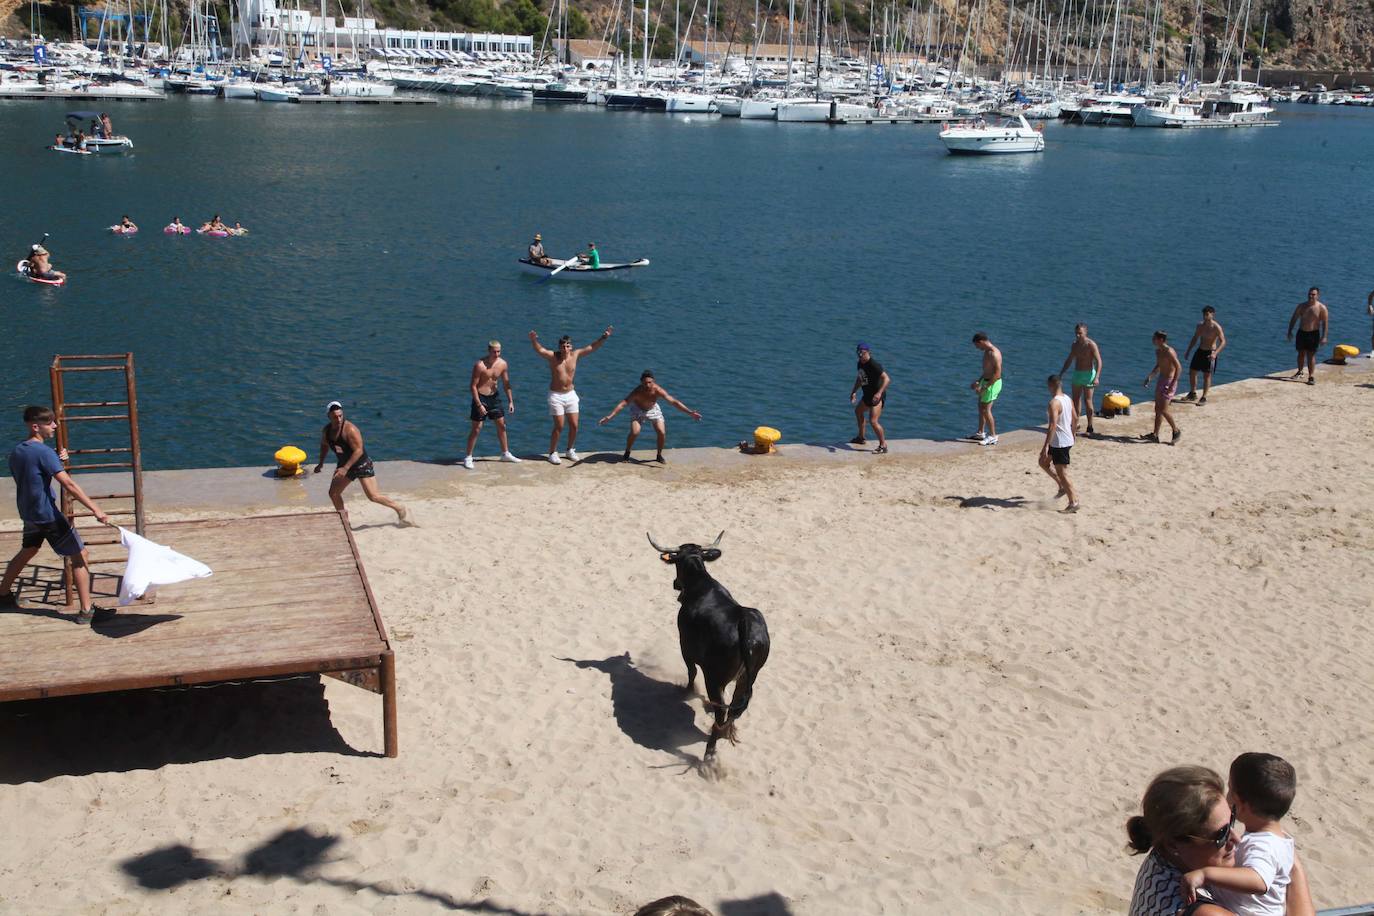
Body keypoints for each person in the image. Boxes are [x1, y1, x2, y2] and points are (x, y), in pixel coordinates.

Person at [1125, 764, 1315, 916]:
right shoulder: (1204, 912)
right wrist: (1291, 864)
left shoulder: (1161, 860)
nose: (1236, 838)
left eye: (1232, 819)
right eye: (1221, 834)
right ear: (1174, 843)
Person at [0, 406, 112, 624]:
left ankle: (2, 595)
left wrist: (56, 460)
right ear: (35, 426)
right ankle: (87, 611)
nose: (54, 426)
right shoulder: (43, 453)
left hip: (29, 513)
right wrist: (95, 509)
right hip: (48, 515)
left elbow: (34, 475)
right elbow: (68, 483)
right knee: (80, 556)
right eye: (50, 422)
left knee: (29, 550)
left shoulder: (18, 451)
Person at [1183, 753, 1297, 916]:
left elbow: (1258, 880)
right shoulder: (1277, 839)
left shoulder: (1263, 845)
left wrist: (1205, 874)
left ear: (1241, 804)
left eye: (1230, 788)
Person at [313, 401, 409, 525]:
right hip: (344, 465)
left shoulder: (350, 430)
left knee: (373, 496)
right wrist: (321, 463)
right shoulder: (326, 431)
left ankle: (399, 508)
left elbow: (358, 450)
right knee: (333, 493)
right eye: (335, 417)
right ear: (329, 417)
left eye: (340, 415)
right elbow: (324, 445)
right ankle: (345, 520)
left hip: (361, 464)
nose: (338, 419)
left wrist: (345, 468)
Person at [529, 327, 612, 464]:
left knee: (574, 425)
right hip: (556, 395)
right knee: (559, 426)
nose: (565, 348)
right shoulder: (553, 357)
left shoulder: (575, 355)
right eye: (563, 346)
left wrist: (604, 337)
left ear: (571, 346)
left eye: (568, 345)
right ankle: (552, 453)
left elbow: (592, 347)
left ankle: (570, 450)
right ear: (559, 347)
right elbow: (540, 350)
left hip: (570, 394)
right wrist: (534, 340)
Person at [599, 369, 701, 463]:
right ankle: (627, 452)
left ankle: (659, 455)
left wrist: (690, 412)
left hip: (653, 410)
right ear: (641, 382)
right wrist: (610, 416)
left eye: (650, 382)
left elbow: (674, 402)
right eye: (645, 383)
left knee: (662, 432)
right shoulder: (637, 392)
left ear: (653, 381)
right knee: (635, 432)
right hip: (638, 410)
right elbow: (623, 403)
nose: (647, 385)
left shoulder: (658, 390)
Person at [463, 341, 521, 469]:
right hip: (481, 397)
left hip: (494, 397)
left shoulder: (503, 364)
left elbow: (506, 384)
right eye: (494, 351)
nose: (496, 354)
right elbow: (473, 386)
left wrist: (511, 401)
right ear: (489, 350)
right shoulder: (480, 365)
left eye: (498, 351)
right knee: (477, 428)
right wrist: (479, 405)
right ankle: (468, 456)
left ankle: (505, 453)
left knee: (501, 425)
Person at [1039, 375, 1079, 513]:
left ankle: (1073, 502)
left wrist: (1045, 446)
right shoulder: (1067, 398)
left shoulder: (1054, 403)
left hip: (1060, 443)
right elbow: (1075, 417)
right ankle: (1062, 487)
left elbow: (1052, 426)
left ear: (1051, 385)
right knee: (1043, 463)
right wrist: (1073, 433)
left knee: (1062, 472)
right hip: (1064, 440)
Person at [1058, 323, 1103, 435]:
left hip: (1089, 375)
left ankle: (1090, 425)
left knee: (1088, 400)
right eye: (1076, 333)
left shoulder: (1091, 344)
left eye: (1080, 333)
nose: (1078, 335)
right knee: (1075, 400)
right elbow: (1069, 359)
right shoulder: (1074, 345)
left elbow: (1099, 361)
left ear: (1085, 333)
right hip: (1078, 373)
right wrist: (1062, 372)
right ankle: (1075, 423)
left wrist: (1097, 377)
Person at [848, 343, 890, 453]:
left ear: (868, 352)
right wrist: (853, 392)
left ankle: (883, 445)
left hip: (877, 396)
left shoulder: (874, 365)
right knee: (858, 411)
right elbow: (860, 379)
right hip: (867, 395)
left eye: (862, 353)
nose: (860, 356)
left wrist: (879, 393)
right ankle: (861, 438)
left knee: (873, 421)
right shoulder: (860, 364)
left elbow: (887, 379)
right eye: (859, 353)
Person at [1142, 331, 1182, 444]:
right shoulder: (1158, 351)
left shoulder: (1170, 352)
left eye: (1154, 338)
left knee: (1164, 410)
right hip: (1161, 380)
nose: (1152, 340)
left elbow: (1179, 368)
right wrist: (1150, 377)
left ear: (1161, 340)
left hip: (1169, 382)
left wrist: (1173, 384)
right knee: (1157, 409)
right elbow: (1159, 365)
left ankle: (1176, 430)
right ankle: (1155, 435)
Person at [1182, 307, 1227, 405]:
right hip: (1200, 351)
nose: (1205, 316)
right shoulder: (1200, 325)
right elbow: (1195, 338)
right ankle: (1192, 393)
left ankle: (1204, 397)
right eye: (1204, 314)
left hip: (1210, 353)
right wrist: (1188, 351)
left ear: (1212, 314)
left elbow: (1223, 342)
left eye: (1207, 314)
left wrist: (1215, 353)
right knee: (1192, 371)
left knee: (1207, 375)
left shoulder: (1216, 327)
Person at [1285, 288, 1328, 385]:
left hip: (1313, 333)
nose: (1311, 296)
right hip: (1302, 332)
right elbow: (1294, 318)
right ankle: (1300, 371)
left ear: (1317, 295)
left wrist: (1324, 336)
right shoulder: (1301, 306)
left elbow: (1325, 323)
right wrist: (1289, 331)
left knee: (1311, 355)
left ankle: (1311, 376)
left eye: (1313, 294)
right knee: (1300, 353)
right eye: (1309, 294)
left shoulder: (1322, 307)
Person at [968, 332, 1002, 446]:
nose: (977, 348)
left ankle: (993, 436)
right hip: (985, 381)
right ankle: (981, 433)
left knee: (986, 410)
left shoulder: (994, 353)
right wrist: (979, 381)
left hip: (993, 383)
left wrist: (984, 387)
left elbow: (997, 374)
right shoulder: (987, 352)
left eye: (977, 345)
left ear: (981, 342)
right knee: (980, 407)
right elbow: (987, 370)